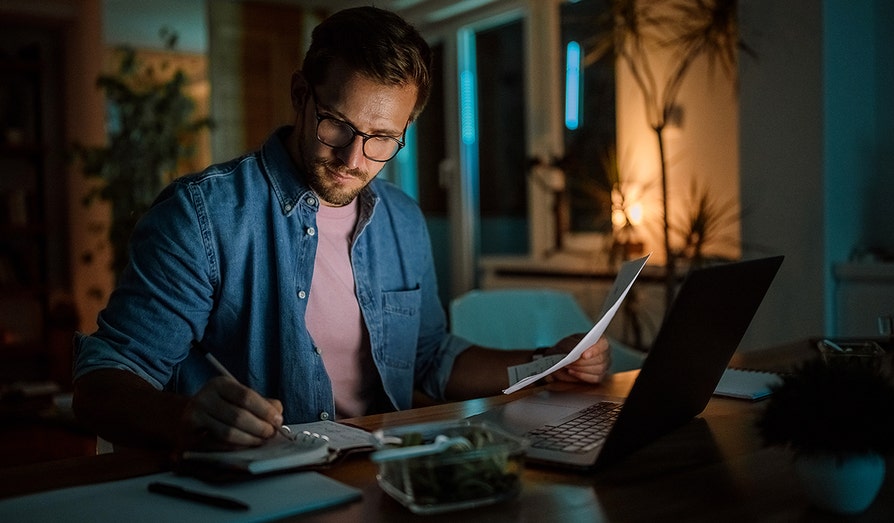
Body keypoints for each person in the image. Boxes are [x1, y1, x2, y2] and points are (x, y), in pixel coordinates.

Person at [72, 6, 610, 451]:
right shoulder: (201, 216)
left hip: (383, 474)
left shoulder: (402, 220)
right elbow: (101, 383)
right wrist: (185, 416)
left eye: (382, 138)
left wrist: (546, 363)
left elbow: (429, 359)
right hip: (255, 484)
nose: (355, 158)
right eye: (339, 126)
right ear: (301, 95)